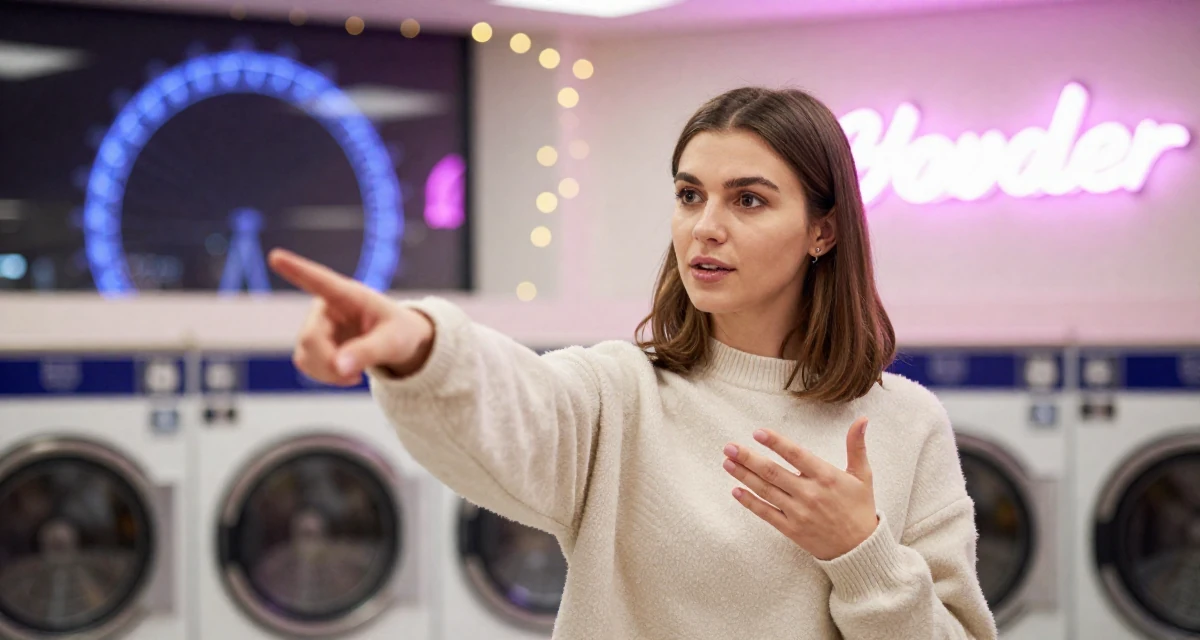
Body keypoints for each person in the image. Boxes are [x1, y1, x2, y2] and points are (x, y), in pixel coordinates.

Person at [268, 86, 998, 639]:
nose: (705, 227)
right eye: (690, 195)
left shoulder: (904, 424)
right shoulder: (620, 395)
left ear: (823, 230)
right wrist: (422, 346)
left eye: (748, 200)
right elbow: (513, 406)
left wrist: (860, 553)